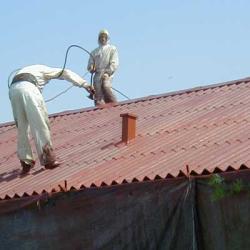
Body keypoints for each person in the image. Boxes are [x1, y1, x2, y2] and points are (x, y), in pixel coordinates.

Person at [9, 64, 92, 174]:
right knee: (40, 123)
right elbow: (65, 72)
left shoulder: (25, 71)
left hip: (13, 90)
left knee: (22, 127)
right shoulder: (44, 70)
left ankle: (25, 162)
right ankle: (48, 159)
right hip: (29, 89)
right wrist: (85, 84)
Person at [87, 29, 119, 106]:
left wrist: (108, 73)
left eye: (105, 37)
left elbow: (114, 62)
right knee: (97, 94)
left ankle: (114, 105)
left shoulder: (112, 49)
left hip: (107, 73)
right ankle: (100, 110)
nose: (103, 38)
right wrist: (92, 68)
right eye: (101, 37)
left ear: (107, 38)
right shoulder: (94, 52)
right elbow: (90, 64)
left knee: (106, 86)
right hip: (97, 75)